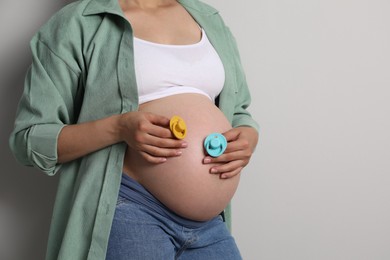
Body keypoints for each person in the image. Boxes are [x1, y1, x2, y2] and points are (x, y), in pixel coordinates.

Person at [9, 0, 259, 259]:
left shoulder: (208, 18)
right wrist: (119, 128)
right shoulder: (80, 22)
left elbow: (238, 110)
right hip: (132, 208)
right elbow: (30, 140)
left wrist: (249, 137)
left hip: (208, 225)